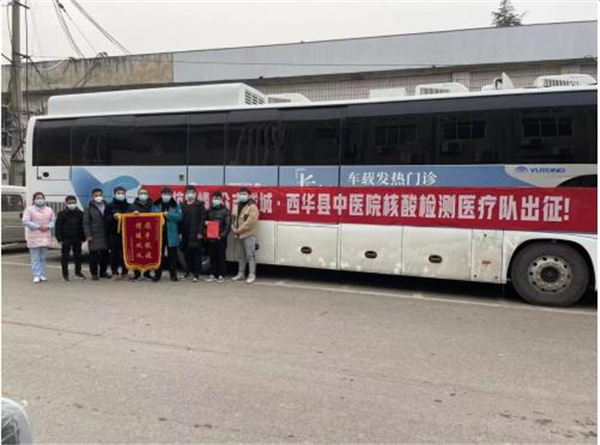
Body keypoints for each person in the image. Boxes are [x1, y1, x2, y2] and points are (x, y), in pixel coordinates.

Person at [22, 192, 55, 283]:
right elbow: (25, 221)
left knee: (42, 258)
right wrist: (38, 227)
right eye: (37, 198)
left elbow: (53, 221)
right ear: (34, 200)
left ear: (44, 199)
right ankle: (36, 275)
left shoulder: (49, 210)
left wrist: (48, 226)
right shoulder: (29, 209)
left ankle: (42, 274)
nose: (40, 200)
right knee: (35, 258)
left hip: (45, 236)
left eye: (41, 198)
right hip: (34, 237)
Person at [152, 187, 182, 282]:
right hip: (159, 233)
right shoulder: (155, 205)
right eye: (164, 194)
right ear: (161, 195)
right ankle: (157, 274)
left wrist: (168, 215)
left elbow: (179, 217)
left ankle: (173, 275)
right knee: (158, 255)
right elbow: (152, 217)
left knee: (172, 256)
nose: (166, 196)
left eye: (168, 194)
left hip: (171, 234)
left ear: (171, 195)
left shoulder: (176, 205)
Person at [231, 187, 259, 284]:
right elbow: (232, 219)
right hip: (238, 235)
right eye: (240, 194)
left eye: (244, 194)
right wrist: (234, 229)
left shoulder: (252, 206)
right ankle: (241, 274)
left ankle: (251, 275)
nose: (242, 196)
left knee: (250, 255)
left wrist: (239, 230)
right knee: (240, 256)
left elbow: (250, 222)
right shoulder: (236, 205)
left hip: (248, 235)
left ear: (249, 195)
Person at [55, 195, 86, 281]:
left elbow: (83, 226)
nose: (72, 204)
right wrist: (59, 239)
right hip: (66, 238)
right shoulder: (62, 214)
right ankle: (65, 274)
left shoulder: (80, 213)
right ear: (66, 203)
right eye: (70, 203)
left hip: (77, 237)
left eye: (73, 203)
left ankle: (78, 272)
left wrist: (83, 237)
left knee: (78, 256)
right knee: (65, 257)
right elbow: (58, 227)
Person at [83, 188, 111, 281]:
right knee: (94, 255)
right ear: (92, 196)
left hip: (105, 234)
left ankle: (103, 272)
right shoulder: (89, 208)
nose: (98, 197)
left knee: (105, 255)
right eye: (96, 195)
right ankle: (94, 273)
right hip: (94, 234)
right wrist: (88, 235)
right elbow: (86, 223)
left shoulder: (107, 206)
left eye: (100, 195)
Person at [180, 186, 206, 282]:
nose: (190, 194)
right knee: (186, 254)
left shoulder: (199, 205)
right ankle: (188, 272)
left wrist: (200, 232)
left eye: (192, 192)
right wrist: (179, 232)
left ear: (195, 194)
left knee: (196, 255)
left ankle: (196, 274)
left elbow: (203, 219)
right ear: (185, 194)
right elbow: (180, 220)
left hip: (195, 233)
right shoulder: (182, 205)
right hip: (185, 233)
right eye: (188, 192)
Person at [205, 191, 231, 283]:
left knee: (221, 257)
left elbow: (227, 226)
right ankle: (213, 274)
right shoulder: (209, 211)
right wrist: (206, 223)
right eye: (214, 198)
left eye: (218, 198)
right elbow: (204, 222)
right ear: (212, 199)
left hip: (221, 239)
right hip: (211, 238)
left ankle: (221, 275)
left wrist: (222, 236)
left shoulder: (226, 211)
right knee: (212, 257)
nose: (216, 200)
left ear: (221, 200)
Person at [106, 186, 131, 280]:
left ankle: (125, 272)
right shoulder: (109, 206)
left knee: (125, 254)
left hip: (126, 234)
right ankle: (115, 273)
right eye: (118, 193)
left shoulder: (129, 206)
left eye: (122, 193)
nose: (120, 195)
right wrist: (113, 218)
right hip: (113, 234)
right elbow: (106, 220)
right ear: (114, 194)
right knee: (114, 254)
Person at [130, 187, 154, 281]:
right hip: (137, 234)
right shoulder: (132, 206)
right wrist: (132, 214)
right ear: (138, 195)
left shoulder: (152, 205)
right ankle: (137, 274)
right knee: (137, 253)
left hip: (149, 234)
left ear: (148, 195)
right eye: (141, 193)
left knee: (148, 253)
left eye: (145, 193)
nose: (143, 195)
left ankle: (147, 274)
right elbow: (126, 217)